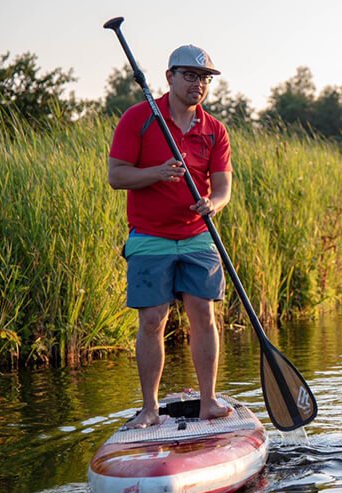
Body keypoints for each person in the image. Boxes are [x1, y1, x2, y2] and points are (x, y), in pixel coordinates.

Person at [108, 44, 233, 427]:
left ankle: (208, 401)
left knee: (203, 315)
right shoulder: (140, 118)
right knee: (152, 319)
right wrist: (157, 173)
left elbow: (223, 187)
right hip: (149, 236)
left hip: (197, 235)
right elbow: (117, 175)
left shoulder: (214, 130)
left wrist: (213, 204)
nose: (198, 84)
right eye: (190, 76)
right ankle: (149, 408)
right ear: (170, 78)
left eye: (205, 78)